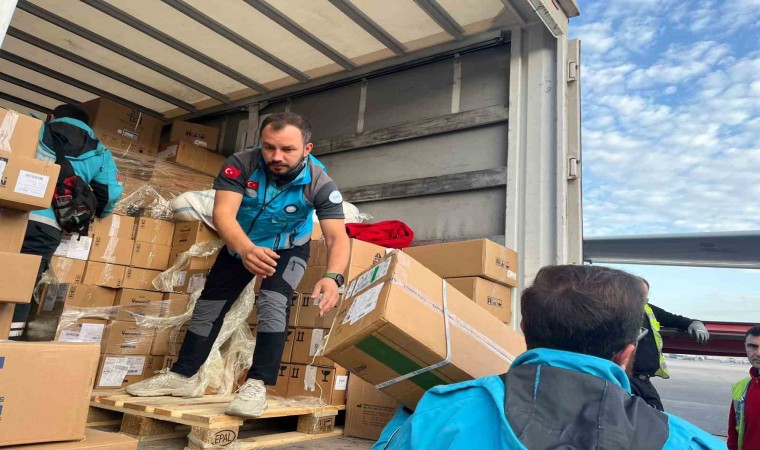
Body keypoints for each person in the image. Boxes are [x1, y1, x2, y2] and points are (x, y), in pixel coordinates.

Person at [127, 112, 350, 418]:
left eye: (287, 149)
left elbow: (337, 237)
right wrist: (245, 249)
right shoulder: (242, 164)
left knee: (273, 303)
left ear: (306, 149)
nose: (276, 156)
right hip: (241, 243)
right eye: (269, 147)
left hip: (287, 248)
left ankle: (257, 385)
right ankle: (183, 376)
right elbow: (223, 214)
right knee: (209, 306)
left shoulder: (320, 183)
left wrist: (333, 277)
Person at [373, 265, 724, 449]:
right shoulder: (687, 442)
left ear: (524, 330)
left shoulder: (439, 412)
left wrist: (407, 415)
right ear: (626, 353)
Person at [10, 104, 123, 340]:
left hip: (10, 213)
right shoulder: (99, 150)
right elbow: (110, 193)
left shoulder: (33, 128)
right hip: (47, 227)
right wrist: (97, 213)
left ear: (52, 116)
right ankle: (7, 342)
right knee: (21, 284)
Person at [632, 278, 710, 411]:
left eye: (644, 295)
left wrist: (695, 323)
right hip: (626, 379)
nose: (642, 299)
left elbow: (676, 320)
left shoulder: (649, 310)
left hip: (642, 380)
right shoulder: (613, 312)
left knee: (655, 417)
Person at [728, 325, 760, 450]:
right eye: (752, 346)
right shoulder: (741, 387)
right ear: (745, 346)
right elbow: (733, 436)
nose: (758, 353)